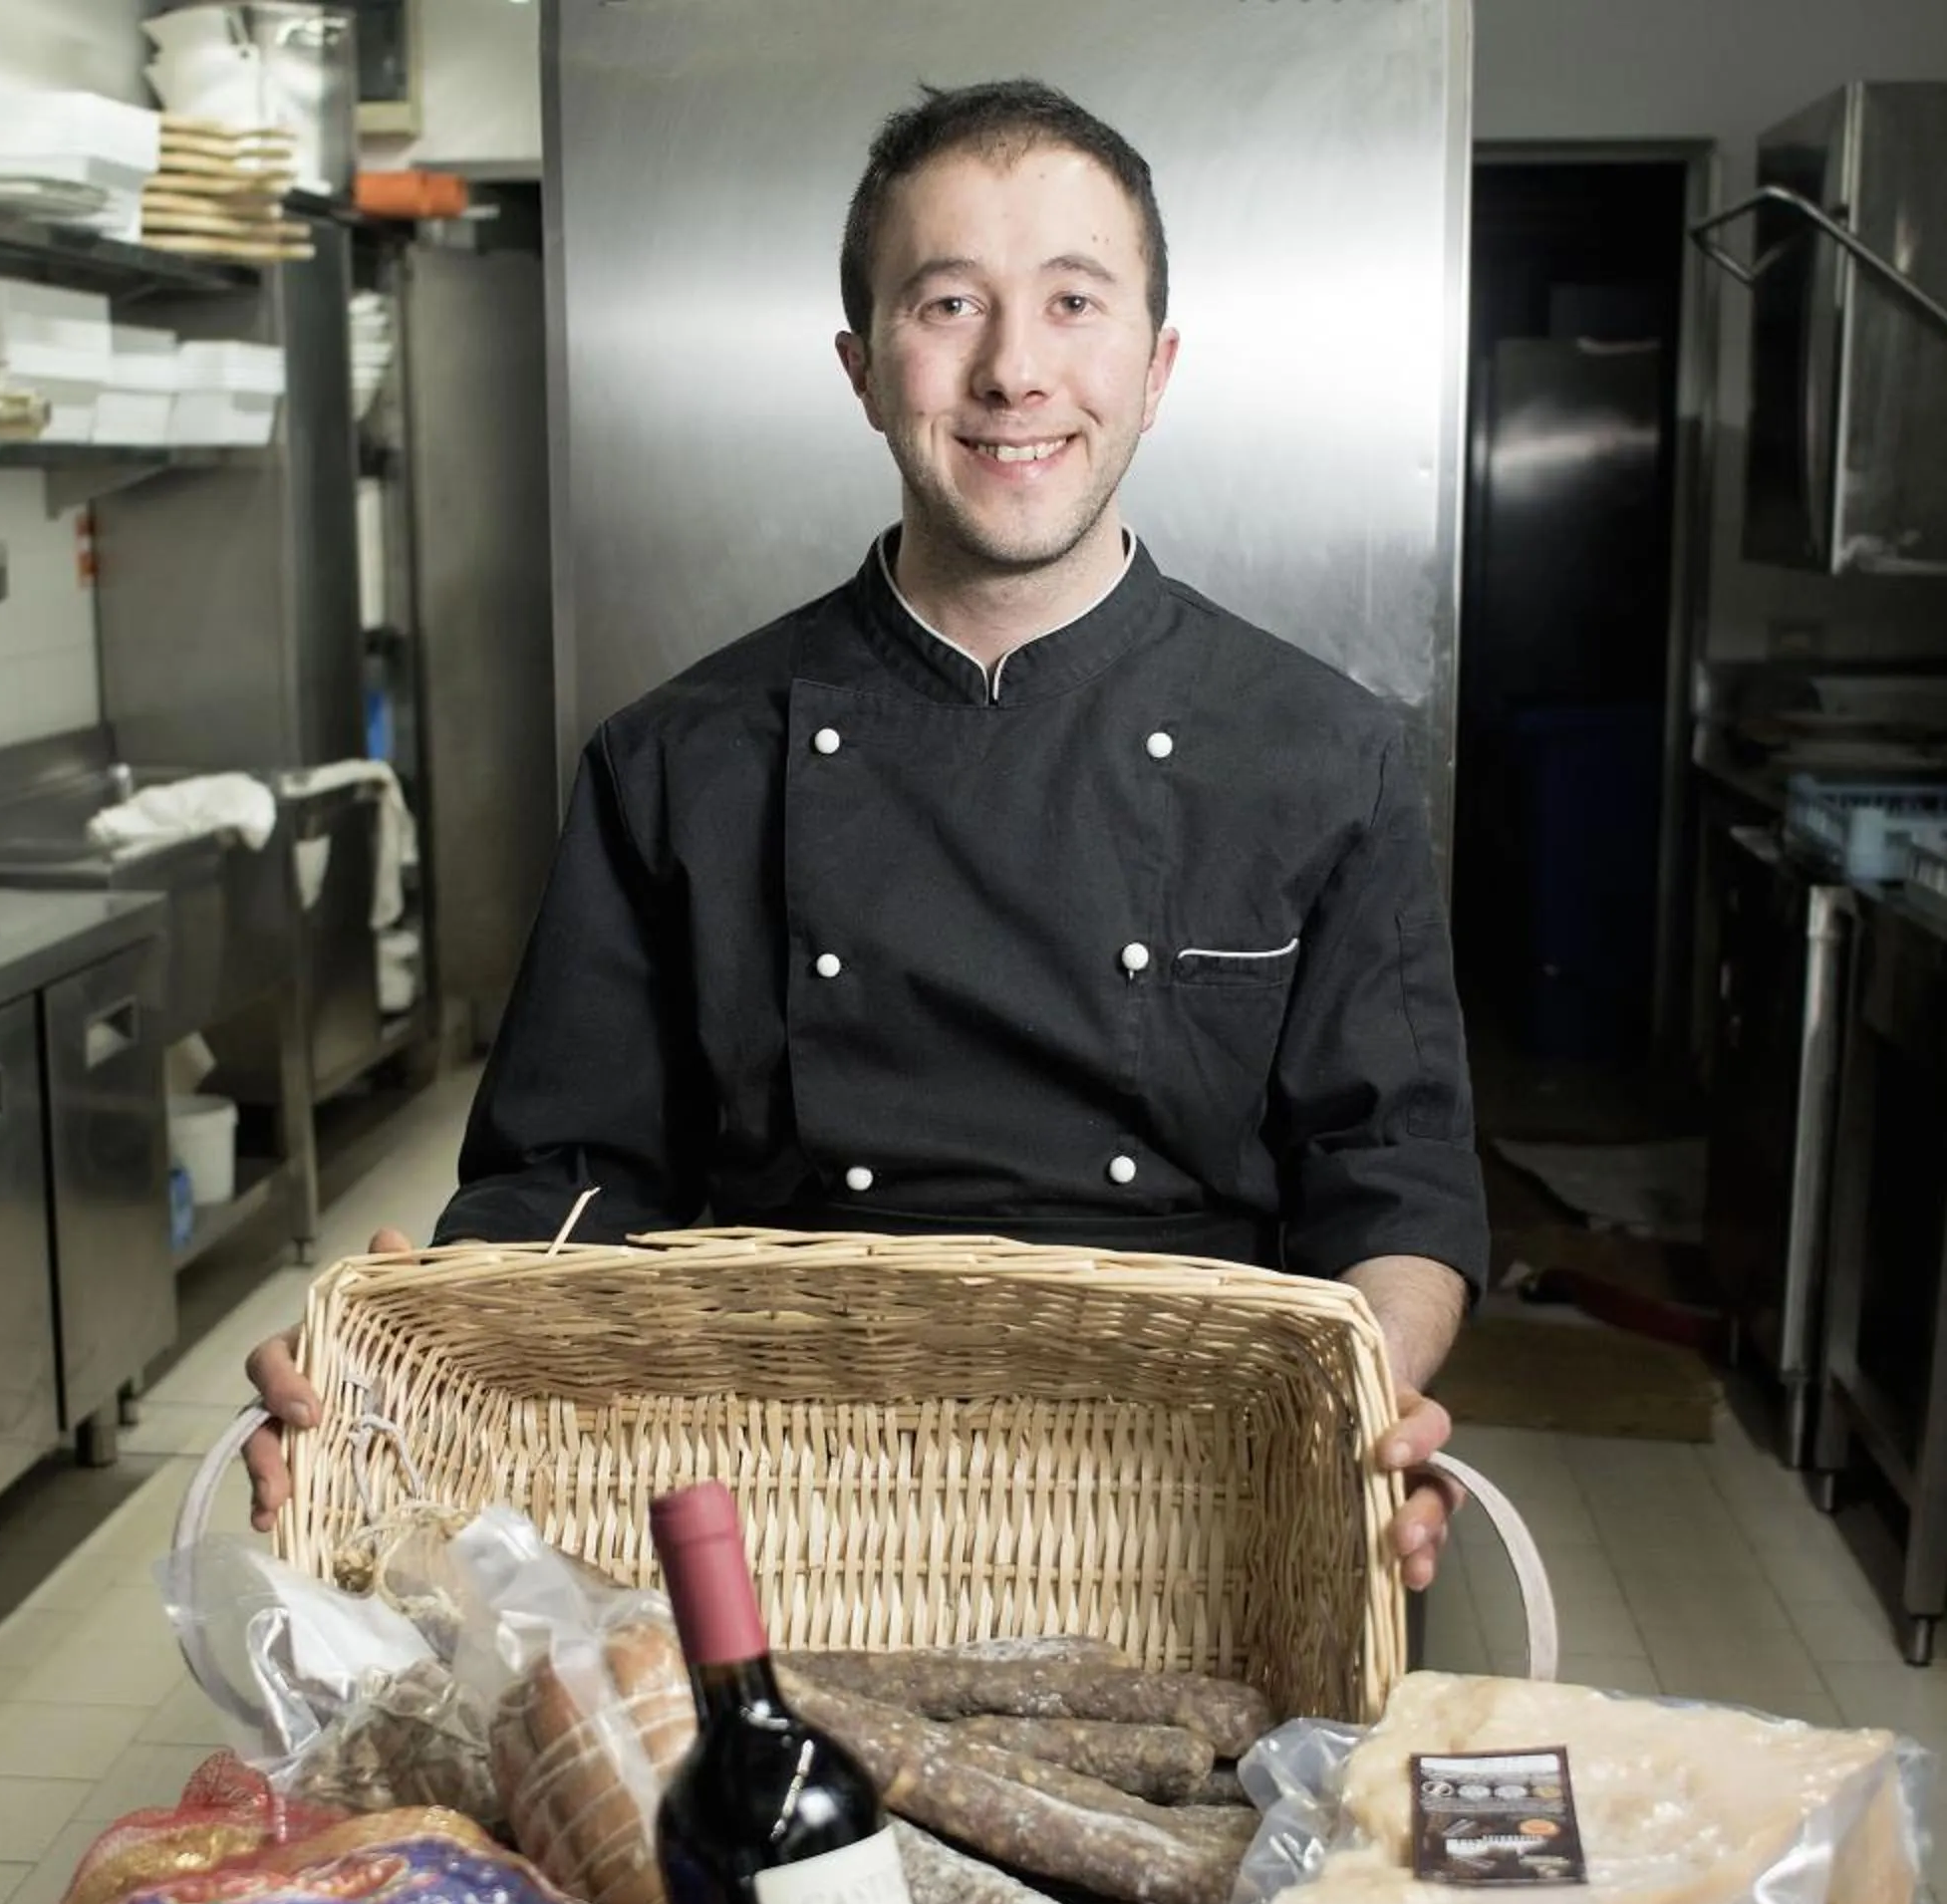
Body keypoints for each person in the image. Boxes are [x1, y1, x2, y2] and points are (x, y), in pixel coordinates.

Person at [247, 78, 1487, 1587]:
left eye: (1075, 301)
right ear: (861, 366)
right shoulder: (677, 761)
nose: (1015, 370)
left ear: (1157, 366)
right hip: (787, 1505)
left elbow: (1395, 1176)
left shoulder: (1324, 754)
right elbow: (566, 1171)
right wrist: (408, 1357)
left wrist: (1376, 1406)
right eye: (948, 302)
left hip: (1204, 1501)